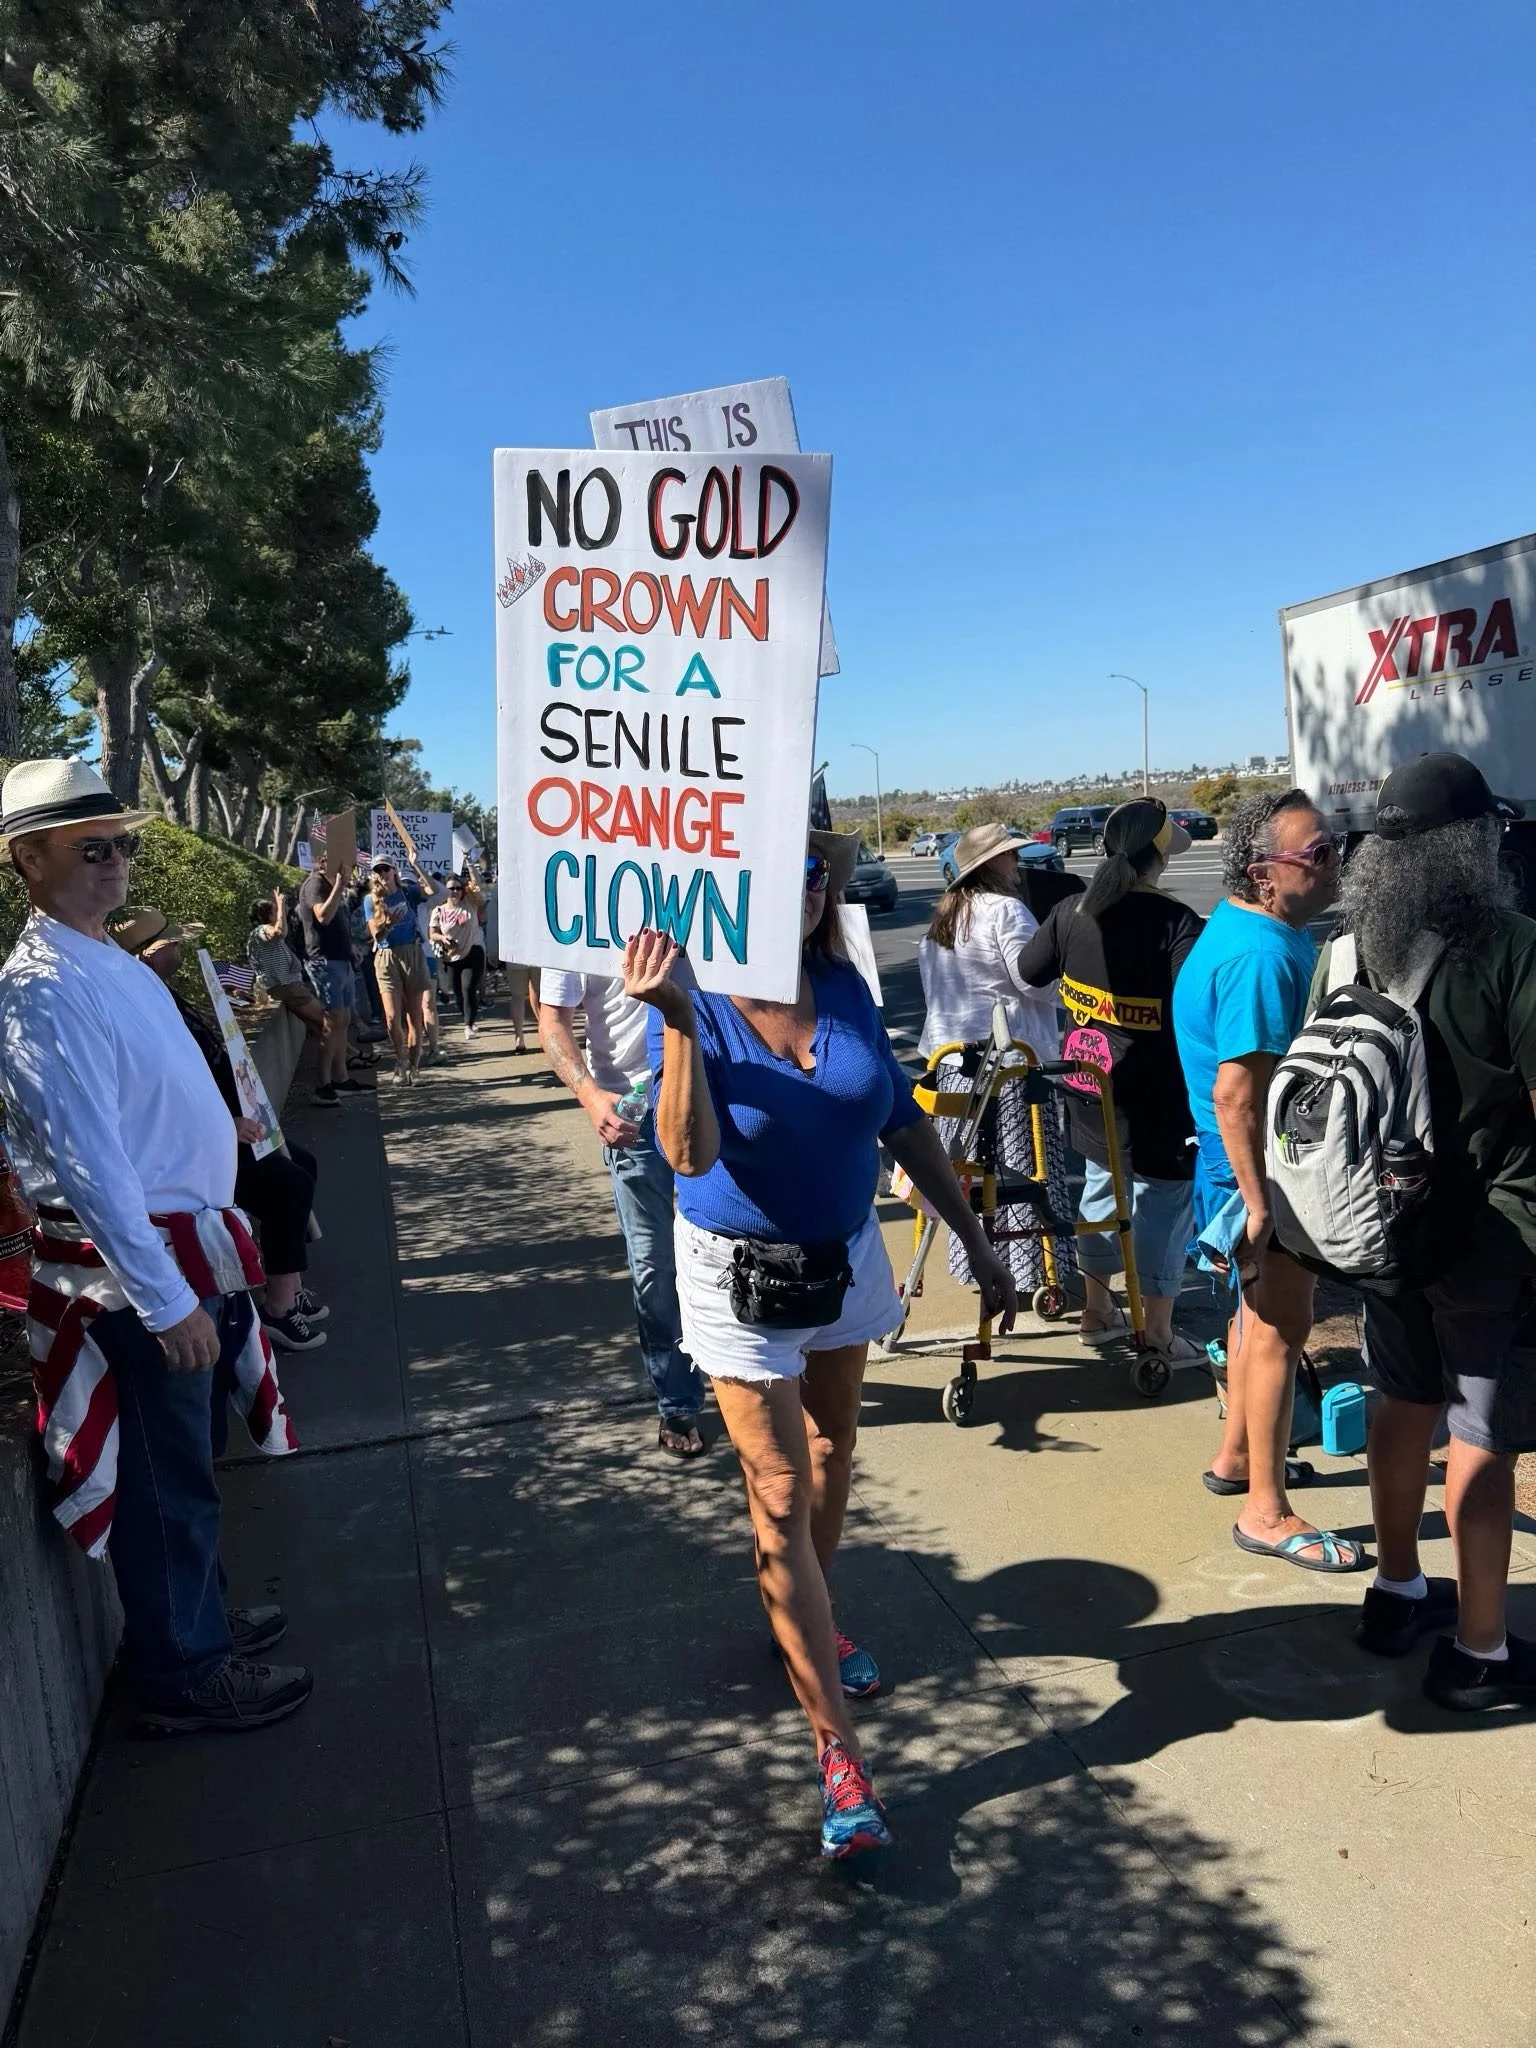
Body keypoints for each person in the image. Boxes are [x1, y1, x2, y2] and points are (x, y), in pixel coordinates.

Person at [632, 829, 1018, 1859]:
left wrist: (978, 1243)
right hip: (732, 1272)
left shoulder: (841, 978)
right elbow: (685, 1150)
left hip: (843, 1254)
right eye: (777, 868)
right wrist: (676, 1025)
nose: (803, 886)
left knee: (836, 1453)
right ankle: (838, 1755)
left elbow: (901, 1121)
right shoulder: (697, 991)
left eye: (814, 871)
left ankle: (806, 1614)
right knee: (778, 1485)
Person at [0, 759, 312, 1732]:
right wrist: (162, 1295)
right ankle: (184, 1667)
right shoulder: (43, 986)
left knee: (190, 1456)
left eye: (124, 843)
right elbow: (88, 1158)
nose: (119, 862)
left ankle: (195, 1620)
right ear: (29, 859)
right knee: (166, 1475)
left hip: (185, 1251)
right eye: (93, 849)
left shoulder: (102, 957)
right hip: (136, 1273)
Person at [1324, 756, 1536, 1706]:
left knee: (1402, 1398)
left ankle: (1397, 1588)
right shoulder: (1514, 946)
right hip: (1492, 1231)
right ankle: (1481, 1650)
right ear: (1471, 842)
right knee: (1483, 1432)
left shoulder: (1348, 949)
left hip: (1380, 1226)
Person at [1172, 788, 1362, 1573]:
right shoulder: (1259, 955)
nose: (1334, 863)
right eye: (1315, 853)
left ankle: (1236, 1459)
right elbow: (1236, 1094)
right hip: (1260, 1177)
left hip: (1237, 1171)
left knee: (1251, 1325)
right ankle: (1267, 1513)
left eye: (1333, 846)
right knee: (1282, 1332)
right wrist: (1261, 1207)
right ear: (1263, 874)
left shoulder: (1241, 930)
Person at [1016, 799, 1204, 1359]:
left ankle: (1097, 1313)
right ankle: (1160, 1332)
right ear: (1161, 860)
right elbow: (1195, 1012)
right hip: (1158, 1099)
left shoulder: (1073, 910)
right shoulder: (1178, 924)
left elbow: (1029, 972)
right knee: (1164, 1203)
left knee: (1100, 1187)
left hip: (1087, 1082)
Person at [110, 906, 328, 1355]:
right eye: (170, 942)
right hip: (199, 1147)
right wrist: (224, 1123)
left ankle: (286, 1282)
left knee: (300, 1164)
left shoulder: (159, 995)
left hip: (229, 1127)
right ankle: (278, 1309)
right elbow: (161, 1090)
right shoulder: (138, 1009)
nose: (178, 948)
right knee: (289, 1186)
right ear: (148, 956)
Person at [540, 969, 707, 1456]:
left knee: (733, 1246)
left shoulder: (702, 893)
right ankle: (678, 1401)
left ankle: (754, 1377)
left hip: (713, 1094)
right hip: (631, 1107)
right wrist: (590, 1097)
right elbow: (552, 1022)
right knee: (654, 1264)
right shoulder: (577, 912)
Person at [918, 821, 1078, 1303]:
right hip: (1008, 1062)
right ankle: (1032, 1274)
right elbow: (1032, 980)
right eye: (1010, 856)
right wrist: (1066, 982)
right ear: (992, 865)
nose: (1017, 863)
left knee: (970, 1173)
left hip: (953, 1062)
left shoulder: (944, 916)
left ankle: (976, 1263)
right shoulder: (1006, 911)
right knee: (1023, 1170)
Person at [297, 864, 365, 1105]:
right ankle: (322, 1084)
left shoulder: (331, 886)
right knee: (331, 1021)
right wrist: (338, 885)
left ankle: (340, 1078)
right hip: (324, 962)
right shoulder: (315, 884)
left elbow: (340, 923)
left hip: (341, 960)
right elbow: (323, 916)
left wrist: (351, 948)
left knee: (342, 1020)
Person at [368, 855, 438, 1083]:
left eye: (385, 868)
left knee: (414, 1017)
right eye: (378, 870)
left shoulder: (408, 891)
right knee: (391, 1017)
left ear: (394, 870)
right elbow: (375, 935)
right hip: (386, 956)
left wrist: (417, 863)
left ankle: (414, 1066)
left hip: (412, 954)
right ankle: (401, 1061)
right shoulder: (371, 900)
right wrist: (389, 923)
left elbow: (433, 889)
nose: (382, 873)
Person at [246, 892, 325, 1043]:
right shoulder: (263, 930)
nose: (279, 914)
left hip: (284, 986)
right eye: (274, 911)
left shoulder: (256, 934)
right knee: (328, 1021)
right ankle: (346, 1057)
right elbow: (279, 932)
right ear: (267, 915)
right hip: (287, 986)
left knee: (316, 1026)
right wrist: (281, 906)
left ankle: (349, 1054)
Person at [430, 868, 489, 1040]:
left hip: (473, 952)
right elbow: (432, 933)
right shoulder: (439, 910)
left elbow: (476, 884)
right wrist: (442, 937)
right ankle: (468, 1016)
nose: (455, 891)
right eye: (451, 888)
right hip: (451, 956)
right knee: (457, 993)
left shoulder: (469, 903)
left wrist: (470, 864)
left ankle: (468, 1025)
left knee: (468, 988)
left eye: (458, 888)